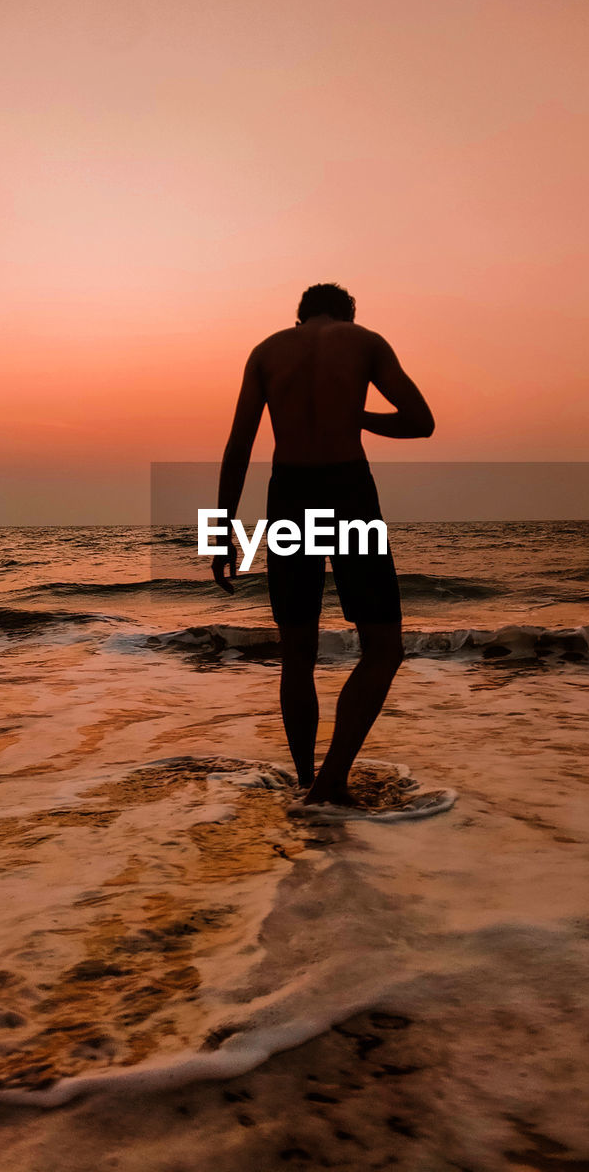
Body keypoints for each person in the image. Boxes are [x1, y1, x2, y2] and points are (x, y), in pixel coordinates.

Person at [211, 283, 434, 806]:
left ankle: (305, 781)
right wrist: (357, 415)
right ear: (348, 314)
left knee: (297, 653)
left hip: (289, 491)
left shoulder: (266, 351)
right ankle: (333, 779)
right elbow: (421, 422)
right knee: (383, 647)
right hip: (347, 488)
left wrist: (221, 532)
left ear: (299, 317)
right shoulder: (364, 341)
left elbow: (239, 444)